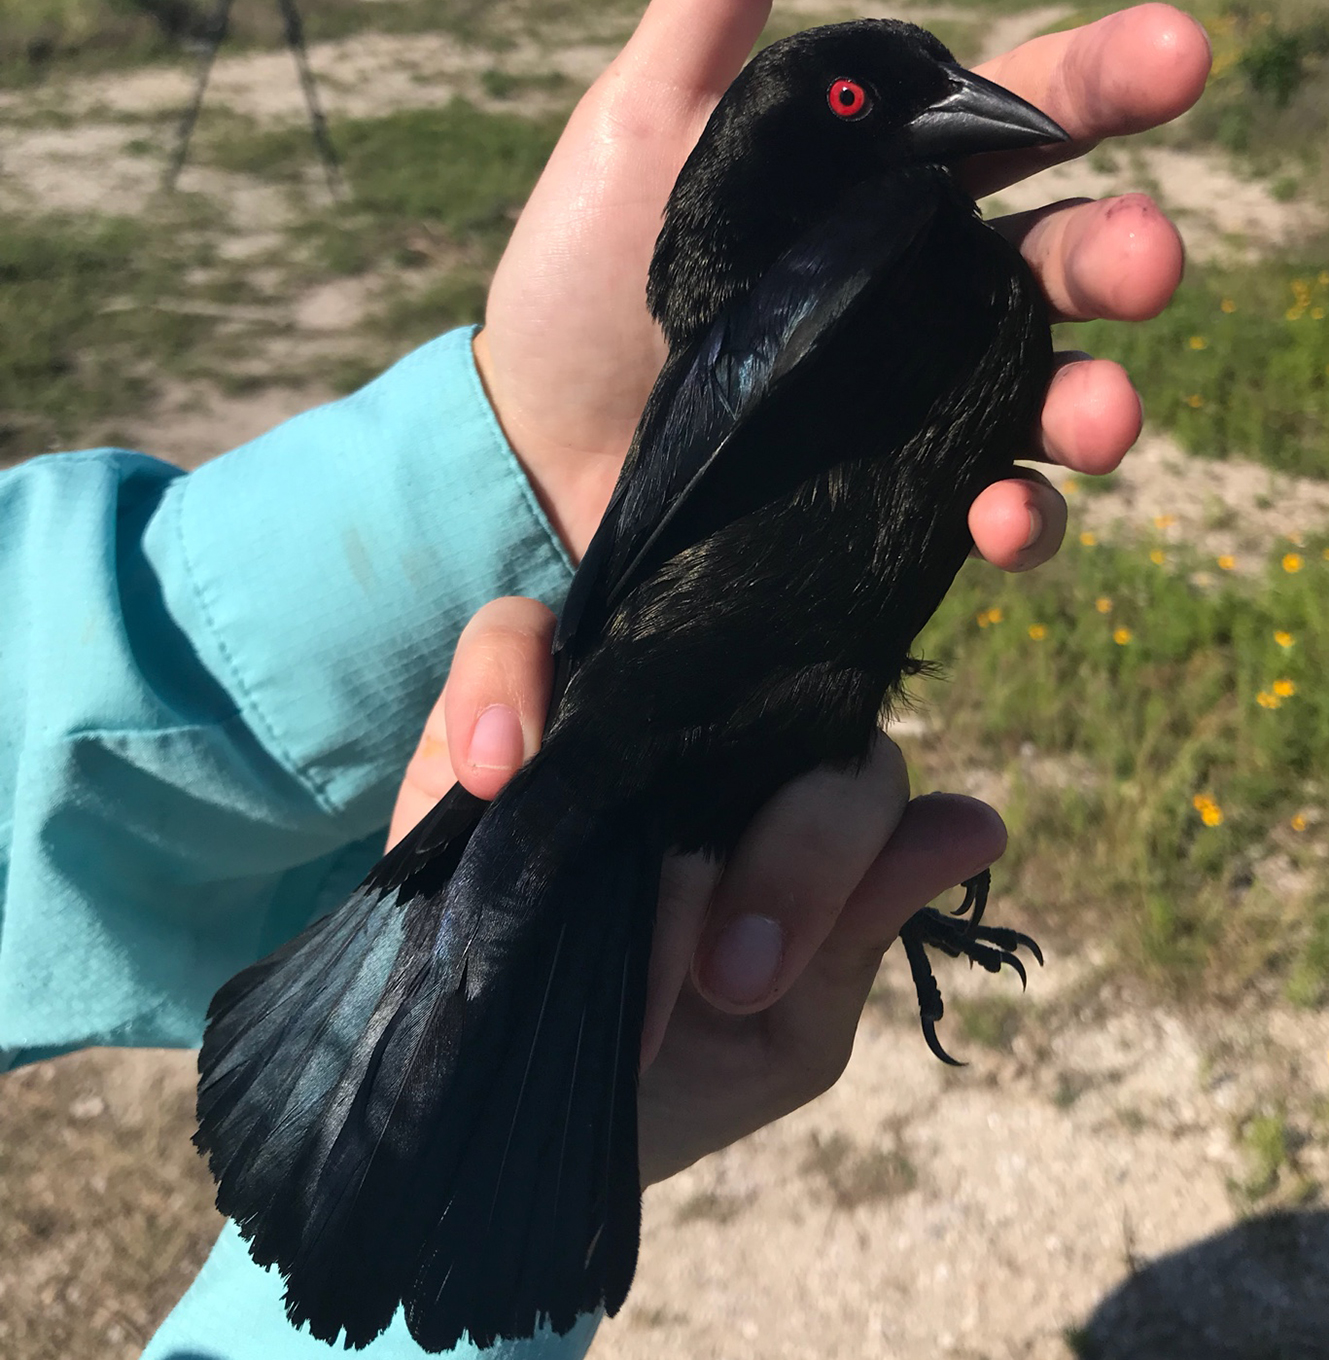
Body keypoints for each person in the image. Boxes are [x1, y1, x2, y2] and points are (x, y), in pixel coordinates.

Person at [0, 2, 1210, 1356]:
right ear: (799, 158)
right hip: (663, 693)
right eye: (870, 101)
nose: (942, 109)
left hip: (716, 705)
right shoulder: (876, 243)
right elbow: (679, 489)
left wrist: (520, 459)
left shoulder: (869, 258)